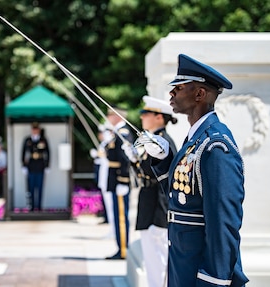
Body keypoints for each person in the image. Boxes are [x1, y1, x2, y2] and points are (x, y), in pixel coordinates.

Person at [138, 54, 249, 287]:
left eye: (178, 88)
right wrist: (164, 158)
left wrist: (214, 279)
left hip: (201, 271)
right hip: (183, 263)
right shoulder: (195, 139)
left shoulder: (216, 145)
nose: (171, 94)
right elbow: (183, 193)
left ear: (199, 94)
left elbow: (223, 222)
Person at [122, 96, 178, 287]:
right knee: (152, 261)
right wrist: (134, 160)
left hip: (157, 208)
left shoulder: (162, 143)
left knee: (158, 262)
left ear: (159, 117)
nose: (143, 117)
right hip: (148, 204)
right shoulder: (152, 141)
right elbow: (146, 173)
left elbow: (164, 182)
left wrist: (159, 219)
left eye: (147, 114)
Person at [104, 107, 134, 260]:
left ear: (117, 117)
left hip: (119, 181)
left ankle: (123, 249)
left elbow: (125, 159)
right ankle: (120, 247)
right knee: (117, 216)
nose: (108, 117)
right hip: (115, 180)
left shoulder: (123, 134)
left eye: (110, 114)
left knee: (121, 217)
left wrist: (123, 180)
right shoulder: (116, 134)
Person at [21, 122, 50, 211]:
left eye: (36, 129)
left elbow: (48, 153)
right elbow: (23, 153)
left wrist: (47, 166)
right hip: (31, 165)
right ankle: (32, 206)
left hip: (40, 166)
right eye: (33, 129)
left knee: (40, 187)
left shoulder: (43, 140)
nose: (35, 131)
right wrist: (23, 165)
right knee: (31, 187)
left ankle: (39, 206)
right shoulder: (28, 140)